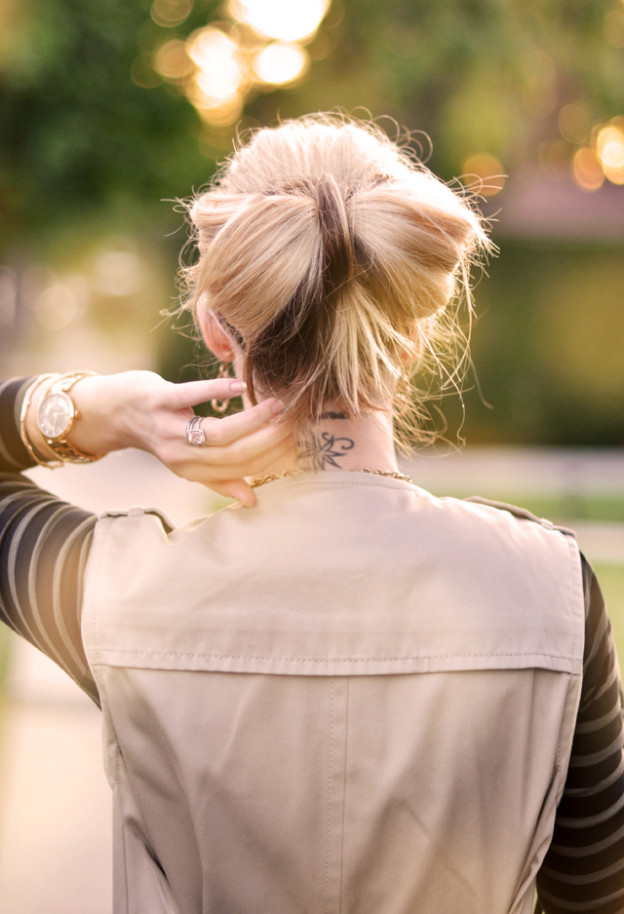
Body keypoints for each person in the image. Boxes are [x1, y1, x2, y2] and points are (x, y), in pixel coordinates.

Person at [0, 113, 623, 914]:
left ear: (216, 328)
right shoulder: (554, 595)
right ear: (413, 336)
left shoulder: (115, 593)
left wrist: (96, 410)